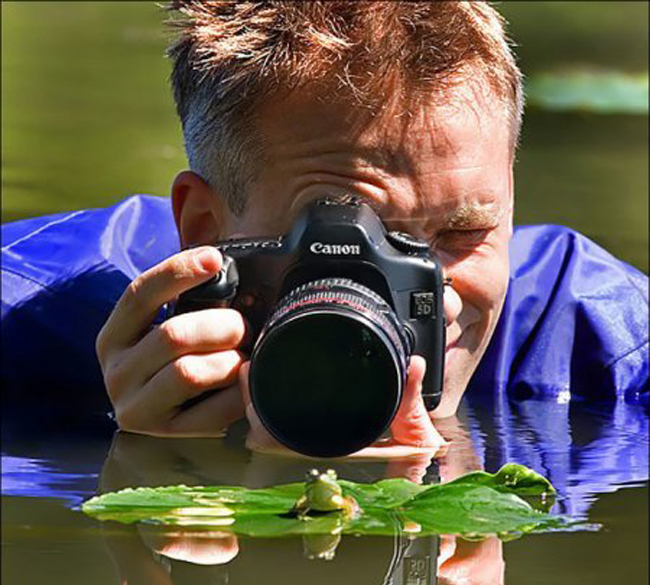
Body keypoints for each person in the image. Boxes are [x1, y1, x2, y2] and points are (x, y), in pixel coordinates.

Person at [2, 1, 647, 454]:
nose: (439, 295)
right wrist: (149, 464)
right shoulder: (24, 325)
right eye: (353, 238)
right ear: (204, 228)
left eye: (463, 233)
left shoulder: (611, 353)